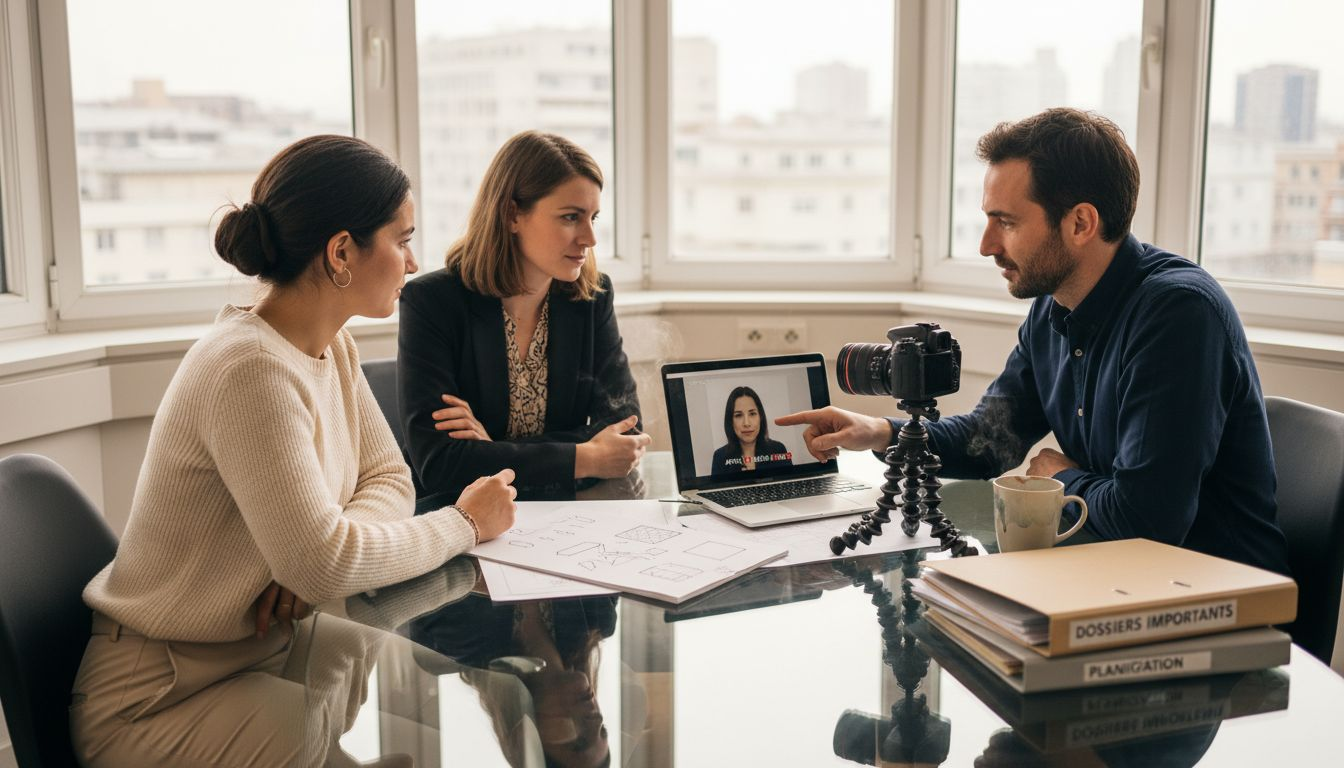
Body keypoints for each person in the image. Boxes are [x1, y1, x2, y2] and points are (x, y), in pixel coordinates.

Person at [70, 135, 518, 767]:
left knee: (361, 644)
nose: (414, 262)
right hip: (157, 694)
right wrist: (465, 523)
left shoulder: (330, 347)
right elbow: (326, 563)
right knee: (307, 713)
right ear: (342, 252)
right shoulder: (249, 366)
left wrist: (321, 553)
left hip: (259, 647)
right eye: (402, 238)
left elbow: (390, 477)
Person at [777, 108, 1290, 575]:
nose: (985, 245)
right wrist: (880, 432)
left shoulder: (1177, 314)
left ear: (1081, 223)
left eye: (1006, 222)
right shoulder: (1053, 305)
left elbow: (1147, 521)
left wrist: (1061, 478)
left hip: (1212, 598)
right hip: (1114, 572)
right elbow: (990, 441)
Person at [399, 130, 650, 503]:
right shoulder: (433, 302)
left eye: (593, 217)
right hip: (464, 522)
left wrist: (492, 450)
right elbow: (440, 466)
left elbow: (626, 437)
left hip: (566, 517)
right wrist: (585, 456)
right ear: (512, 214)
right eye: (571, 217)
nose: (590, 238)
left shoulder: (592, 297)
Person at [710, 386, 794, 476]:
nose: (746, 423)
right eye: (738, 415)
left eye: (752, 414)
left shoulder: (778, 450)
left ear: (760, 417)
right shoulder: (720, 456)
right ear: (730, 421)